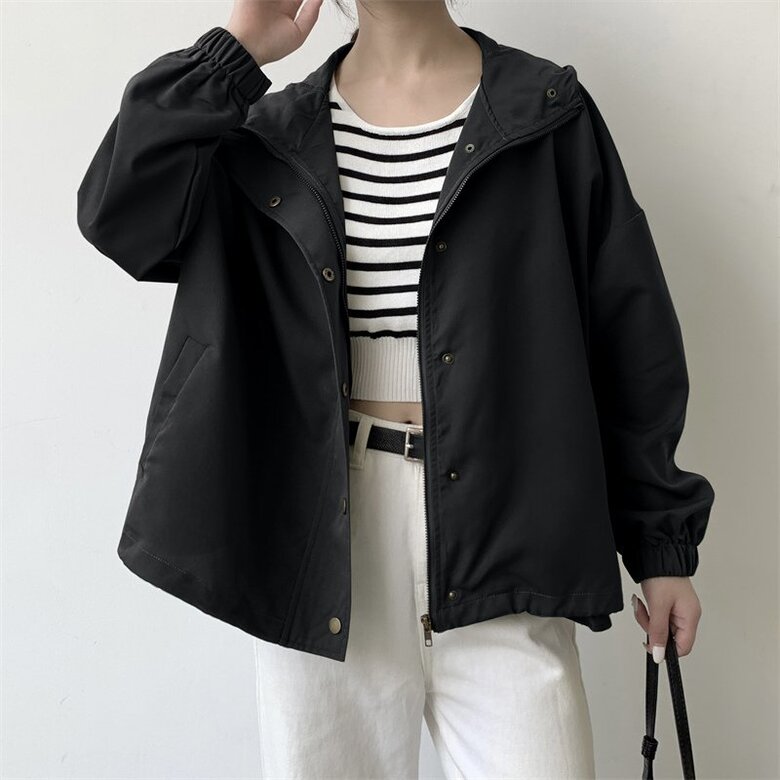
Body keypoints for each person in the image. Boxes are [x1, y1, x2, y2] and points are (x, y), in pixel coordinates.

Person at [76, 0, 715, 776]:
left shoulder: (544, 112)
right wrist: (234, 54)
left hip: (508, 523)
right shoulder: (269, 135)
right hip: (321, 541)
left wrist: (660, 545)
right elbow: (120, 217)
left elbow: (630, 336)